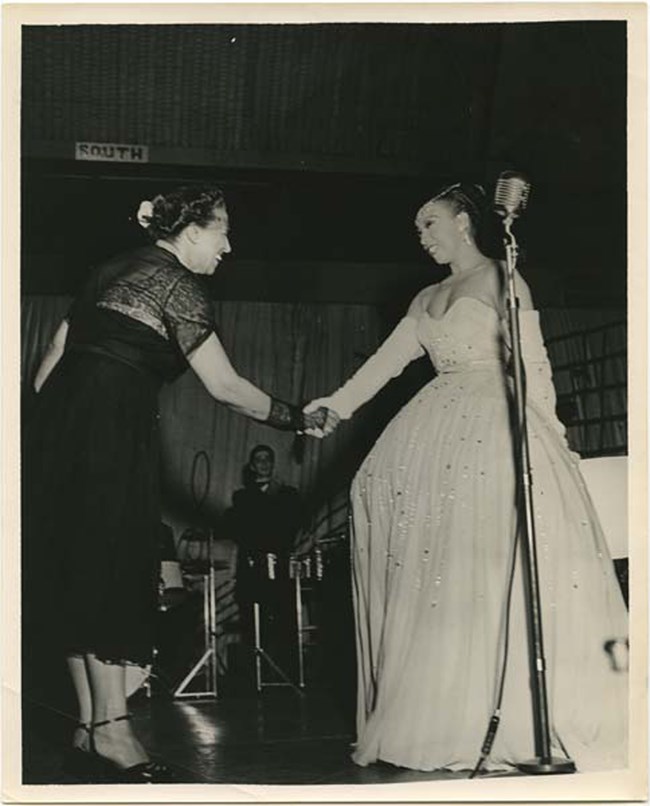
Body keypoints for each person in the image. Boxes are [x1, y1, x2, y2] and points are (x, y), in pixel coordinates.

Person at [304, 182, 628, 772]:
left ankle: (524, 712)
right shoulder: (426, 296)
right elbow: (387, 362)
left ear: (463, 222)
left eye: (430, 224)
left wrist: (551, 435)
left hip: (496, 420)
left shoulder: (504, 279)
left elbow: (534, 365)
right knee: (443, 575)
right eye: (419, 229)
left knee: (500, 566)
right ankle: (452, 710)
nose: (422, 237)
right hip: (435, 431)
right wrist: (337, 404)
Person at [22, 185, 321, 783]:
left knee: (76, 568)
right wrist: (298, 417)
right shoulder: (178, 284)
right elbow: (227, 387)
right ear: (189, 234)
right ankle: (114, 733)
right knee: (110, 566)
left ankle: (88, 729)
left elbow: (50, 359)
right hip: (110, 432)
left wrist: (59, 431)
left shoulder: (106, 269)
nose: (228, 246)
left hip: (59, 433)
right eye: (222, 232)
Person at [222, 444, 301, 682]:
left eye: (268, 459)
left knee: (283, 618)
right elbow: (247, 529)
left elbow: (288, 527)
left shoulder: (289, 494)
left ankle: (284, 674)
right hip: (253, 569)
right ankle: (256, 676)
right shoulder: (243, 496)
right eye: (259, 460)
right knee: (252, 621)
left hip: (280, 567)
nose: (264, 463)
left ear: (273, 463)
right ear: (253, 466)